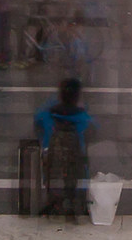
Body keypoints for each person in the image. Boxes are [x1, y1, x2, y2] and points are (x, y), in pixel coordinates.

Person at [32, 77, 92, 219]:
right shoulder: (84, 118)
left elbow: (37, 125)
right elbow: (94, 133)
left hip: (51, 162)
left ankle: (54, 201)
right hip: (77, 163)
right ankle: (75, 202)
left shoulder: (46, 115)